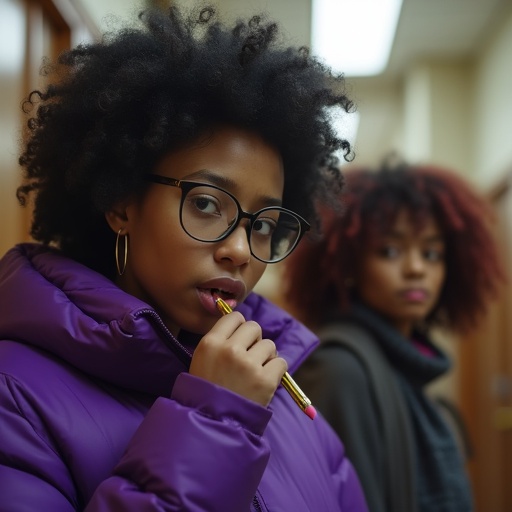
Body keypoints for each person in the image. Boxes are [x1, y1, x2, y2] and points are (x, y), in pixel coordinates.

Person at [0, 4, 370, 512]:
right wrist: (216, 419)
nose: (240, 250)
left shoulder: (279, 384)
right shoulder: (13, 395)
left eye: (263, 224)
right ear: (121, 202)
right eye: (205, 203)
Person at [282, 160, 506, 512]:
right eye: (390, 250)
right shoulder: (339, 369)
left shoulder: (408, 365)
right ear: (349, 264)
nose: (417, 268)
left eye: (432, 253)